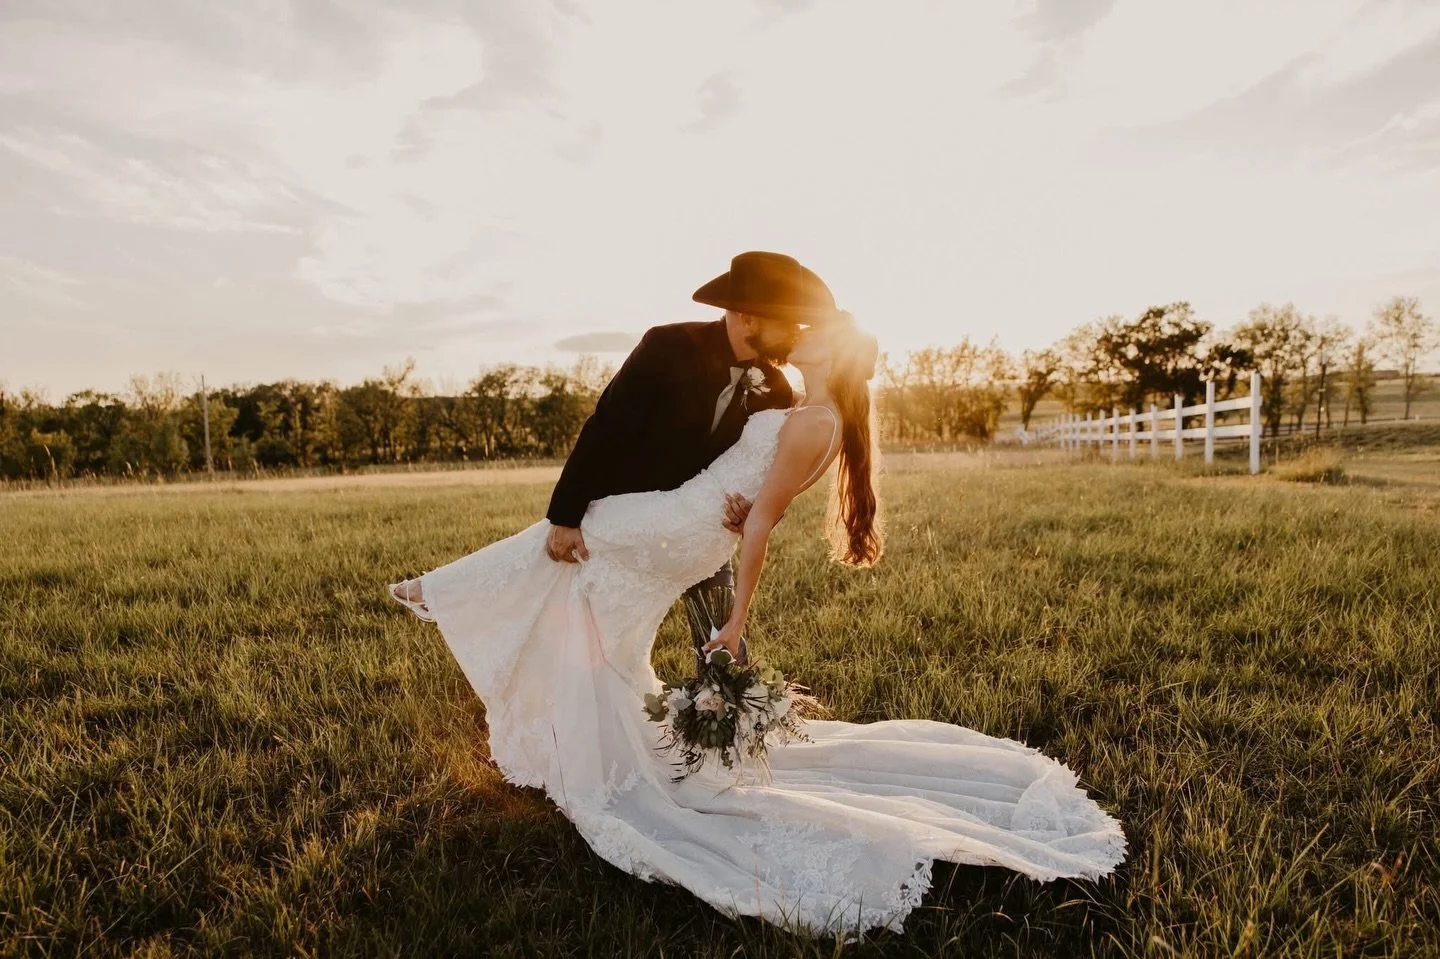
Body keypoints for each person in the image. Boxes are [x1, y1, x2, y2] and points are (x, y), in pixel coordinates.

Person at [386, 257, 1126, 937]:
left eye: (781, 323)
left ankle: (451, 597)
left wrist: (741, 531)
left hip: (684, 523)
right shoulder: (672, 346)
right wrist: (565, 510)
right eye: (761, 317)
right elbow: (609, 424)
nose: (769, 330)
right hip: (670, 513)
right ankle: (546, 695)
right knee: (596, 596)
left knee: (591, 555)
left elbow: (774, 479)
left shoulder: (786, 391)